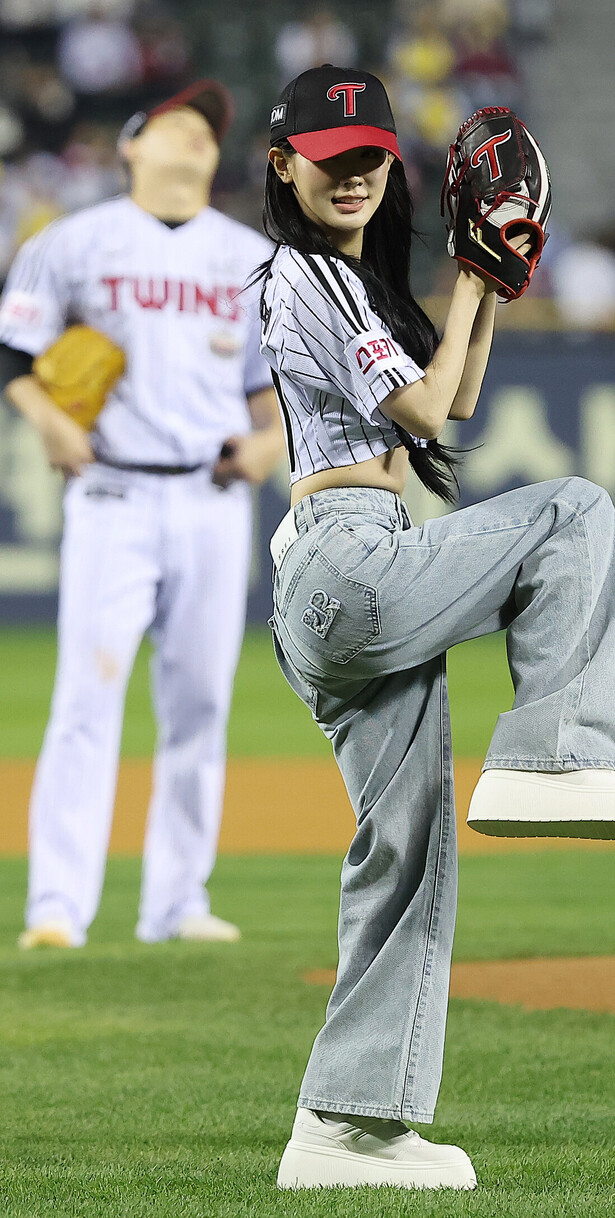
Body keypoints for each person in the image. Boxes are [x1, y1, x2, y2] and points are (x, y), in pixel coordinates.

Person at [258, 65, 615, 1190]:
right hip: (351, 555)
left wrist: (476, 283)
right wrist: (469, 276)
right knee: (573, 514)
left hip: (343, 574)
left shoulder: (353, 286)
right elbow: (433, 411)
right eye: (329, 159)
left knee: (407, 851)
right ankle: (554, 756)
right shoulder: (302, 276)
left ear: (388, 165)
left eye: (368, 159)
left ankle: (341, 1128)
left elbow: (458, 399)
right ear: (281, 164)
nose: (351, 176)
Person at [0, 80, 283, 949]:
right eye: (177, 125)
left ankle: (176, 902)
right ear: (130, 145)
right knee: (88, 696)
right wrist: (49, 420)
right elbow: (15, 354)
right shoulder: (73, 242)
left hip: (212, 494)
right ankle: (57, 906)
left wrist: (267, 447)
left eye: (207, 131)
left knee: (201, 700)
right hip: (112, 492)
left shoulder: (247, 255)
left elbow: (268, 392)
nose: (197, 138)